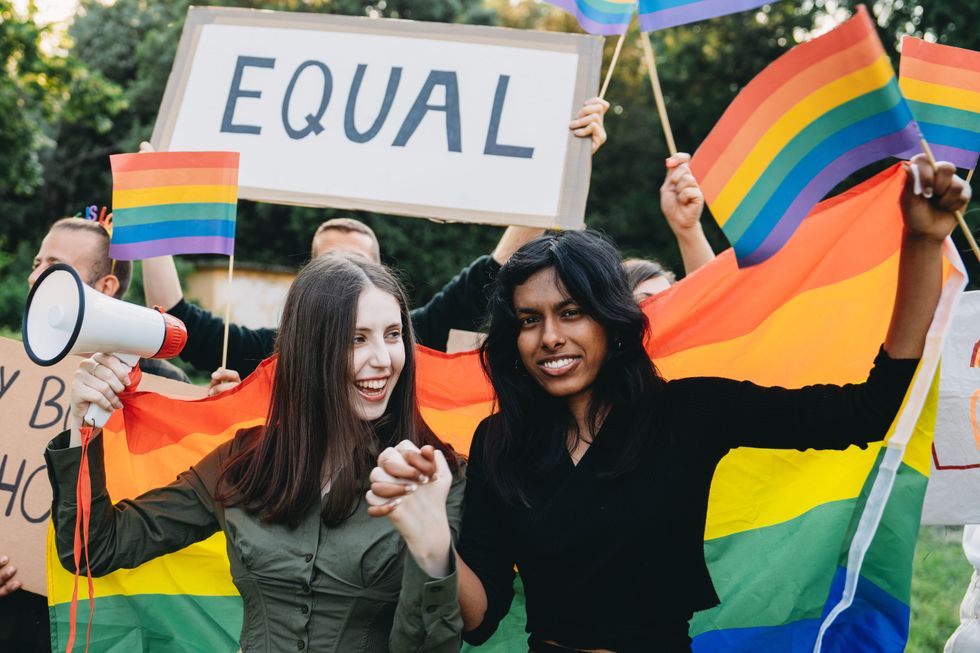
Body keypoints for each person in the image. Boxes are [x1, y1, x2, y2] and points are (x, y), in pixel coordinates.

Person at [366, 155, 970, 652]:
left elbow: (865, 414)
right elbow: (479, 620)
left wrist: (921, 243)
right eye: (529, 320)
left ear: (612, 320)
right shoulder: (501, 440)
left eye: (570, 312)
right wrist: (430, 534)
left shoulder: (690, 411)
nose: (549, 336)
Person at [44, 253, 466, 652]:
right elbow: (93, 549)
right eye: (356, 339)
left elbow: (431, 644)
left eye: (393, 335)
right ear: (308, 350)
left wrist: (432, 550)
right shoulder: (242, 464)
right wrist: (83, 424)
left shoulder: (433, 475)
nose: (383, 359)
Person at [140, 98, 612, 385]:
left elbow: (497, 268)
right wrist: (152, 205)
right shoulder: (275, 355)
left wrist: (563, 161)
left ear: (386, 285)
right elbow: (176, 321)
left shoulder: (416, 338)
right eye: (328, 266)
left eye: (358, 265)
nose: (344, 280)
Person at [28, 216, 190, 383]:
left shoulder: (166, 380)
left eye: (55, 267)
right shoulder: (17, 359)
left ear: (106, 287)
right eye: (36, 265)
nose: (33, 277)